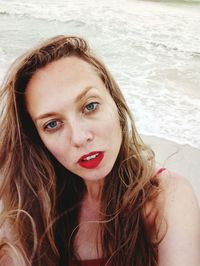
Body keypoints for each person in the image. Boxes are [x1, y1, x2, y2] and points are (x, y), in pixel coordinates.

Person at [0, 35, 199, 266]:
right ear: (37, 138)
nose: (79, 137)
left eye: (90, 106)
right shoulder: (29, 202)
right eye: (52, 124)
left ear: (115, 102)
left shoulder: (166, 198)